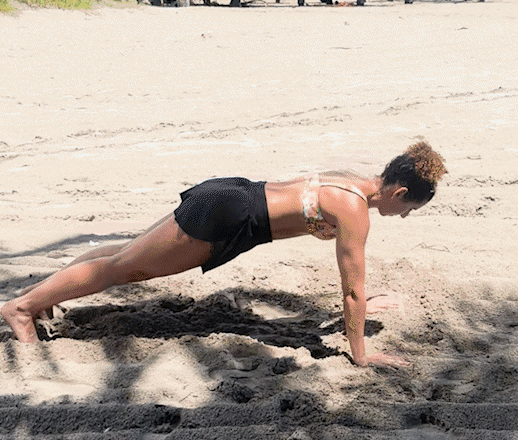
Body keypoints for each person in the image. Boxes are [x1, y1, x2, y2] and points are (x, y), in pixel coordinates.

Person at [1, 141, 447, 366]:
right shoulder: (355, 211)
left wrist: (359, 302)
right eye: (410, 208)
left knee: (126, 254)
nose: (405, 215)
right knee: (124, 268)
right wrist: (361, 353)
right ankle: (21, 308)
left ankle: (43, 297)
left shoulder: (351, 181)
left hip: (231, 194)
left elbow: (305, 207)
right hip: (229, 217)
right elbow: (351, 290)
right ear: (399, 192)